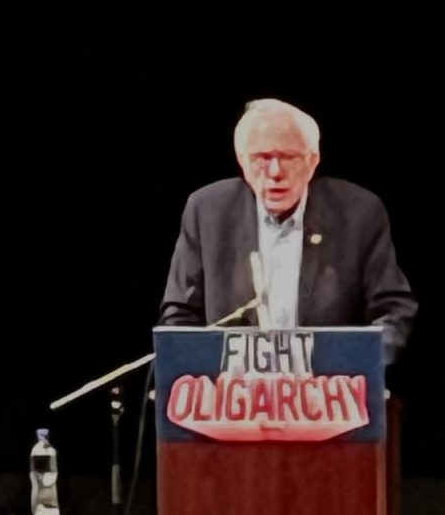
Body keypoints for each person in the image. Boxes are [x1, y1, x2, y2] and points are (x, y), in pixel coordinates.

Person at [157, 99, 418, 362]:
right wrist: (204, 376)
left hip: (326, 391)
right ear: (242, 161)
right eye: (261, 158)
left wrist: (355, 367)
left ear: (313, 160)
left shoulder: (359, 212)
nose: (275, 172)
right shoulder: (207, 210)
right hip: (233, 392)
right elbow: (179, 315)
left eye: (289, 157)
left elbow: (394, 310)